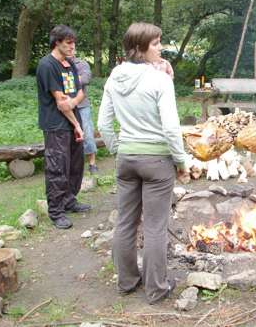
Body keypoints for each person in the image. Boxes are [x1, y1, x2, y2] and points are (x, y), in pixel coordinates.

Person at [98, 22, 189, 304]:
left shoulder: (115, 76)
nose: (160, 48)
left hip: (126, 158)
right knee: (154, 226)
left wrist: (118, 150)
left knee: (125, 222)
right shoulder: (159, 80)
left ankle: (126, 282)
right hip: (157, 162)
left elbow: (103, 124)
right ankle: (156, 288)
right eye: (155, 43)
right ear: (138, 48)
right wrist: (181, 160)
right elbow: (171, 129)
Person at [36, 25, 92, 230]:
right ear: (57, 42)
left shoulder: (69, 64)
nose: (72, 46)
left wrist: (73, 103)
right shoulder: (47, 65)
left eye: (73, 42)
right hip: (56, 124)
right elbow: (60, 103)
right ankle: (56, 212)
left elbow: (80, 93)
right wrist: (77, 122)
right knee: (57, 168)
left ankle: (69, 200)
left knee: (75, 165)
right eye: (68, 42)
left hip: (72, 121)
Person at [73, 57, 98, 174]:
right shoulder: (57, 63)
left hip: (82, 105)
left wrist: (66, 79)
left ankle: (92, 164)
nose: (70, 48)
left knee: (87, 134)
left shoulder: (81, 63)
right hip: (64, 106)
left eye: (72, 46)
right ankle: (74, 166)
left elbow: (86, 79)